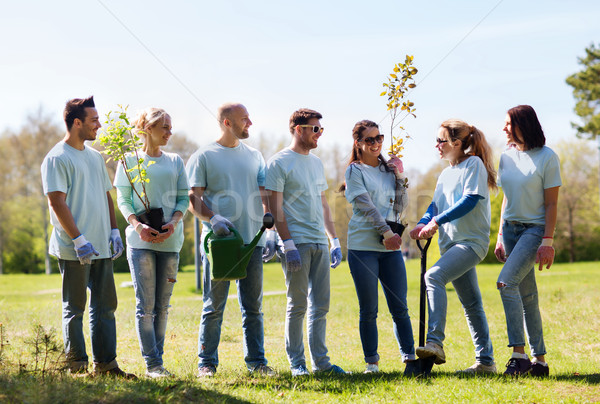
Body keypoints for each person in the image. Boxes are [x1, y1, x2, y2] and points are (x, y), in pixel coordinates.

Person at [40, 96, 134, 378]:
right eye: (94, 120)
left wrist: (114, 230)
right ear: (77, 122)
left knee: (105, 308)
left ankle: (106, 365)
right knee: (75, 308)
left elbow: (107, 195)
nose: (100, 125)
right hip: (75, 248)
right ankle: (76, 366)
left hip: (102, 245)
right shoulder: (57, 158)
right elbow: (57, 202)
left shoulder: (94, 157)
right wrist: (79, 240)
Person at [187, 102, 275, 377]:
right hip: (220, 246)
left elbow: (265, 196)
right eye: (244, 119)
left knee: (253, 308)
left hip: (252, 243)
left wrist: (269, 228)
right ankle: (206, 363)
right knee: (213, 307)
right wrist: (212, 218)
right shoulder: (204, 156)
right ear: (227, 122)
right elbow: (193, 199)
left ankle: (257, 362)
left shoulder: (255, 156)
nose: (250, 123)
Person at [409, 119, 497, 374]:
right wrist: (424, 222)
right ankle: (486, 362)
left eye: (441, 140)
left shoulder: (474, 165)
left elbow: (470, 200)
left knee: (433, 276)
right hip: (451, 246)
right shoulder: (446, 173)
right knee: (472, 304)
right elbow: (436, 205)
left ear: (456, 143)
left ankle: (435, 341)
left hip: (471, 243)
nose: (436, 145)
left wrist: (436, 221)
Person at [266, 108, 345, 377]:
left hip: (319, 243)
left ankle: (321, 363)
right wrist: (286, 244)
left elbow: (323, 203)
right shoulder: (278, 163)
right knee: (297, 305)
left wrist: (333, 239)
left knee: (320, 306)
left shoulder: (317, 163)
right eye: (315, 129)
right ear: (298, 129)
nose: (319, 134)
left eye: (321, 129)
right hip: (296, 243)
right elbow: (274, 207)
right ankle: (297, 363)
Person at [114, 108, 189, 378]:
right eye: (164, 127)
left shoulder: (175, 161)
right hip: (140, 242)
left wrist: (175, 221)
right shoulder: (128, 160)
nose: (170, 132)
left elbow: (184, 198)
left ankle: (158, 360)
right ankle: (153, 365)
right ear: (147, 127)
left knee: (162, 307)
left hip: (170, 242)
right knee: (145, 306)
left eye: (170, 127)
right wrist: (137, 225)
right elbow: (123, 198)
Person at [340, 120, 419, 375]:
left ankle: (410, 359)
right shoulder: (355, 171)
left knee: (400, 306)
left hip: (390, 247)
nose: (375, 144)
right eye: (369, 140)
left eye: (379, 138)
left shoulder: (388, 170)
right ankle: (372, 364)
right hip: (363, 247)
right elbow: (364, 204)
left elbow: (400, 206)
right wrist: (385, 232)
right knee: (369, 308)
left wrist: (399, 175)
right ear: (358, 143)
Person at [494, 105, 560, 377]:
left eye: (508, 123)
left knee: (506, 283)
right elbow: (506, 198)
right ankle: (540, 362)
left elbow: (552, 203)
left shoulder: (547, 157)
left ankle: (518, 356)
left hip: (534, 231)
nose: (504, 128)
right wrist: (499, 234)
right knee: (527, 296)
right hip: (510, 230)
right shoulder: (506, 156)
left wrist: (547, 240)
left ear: (523, 124)